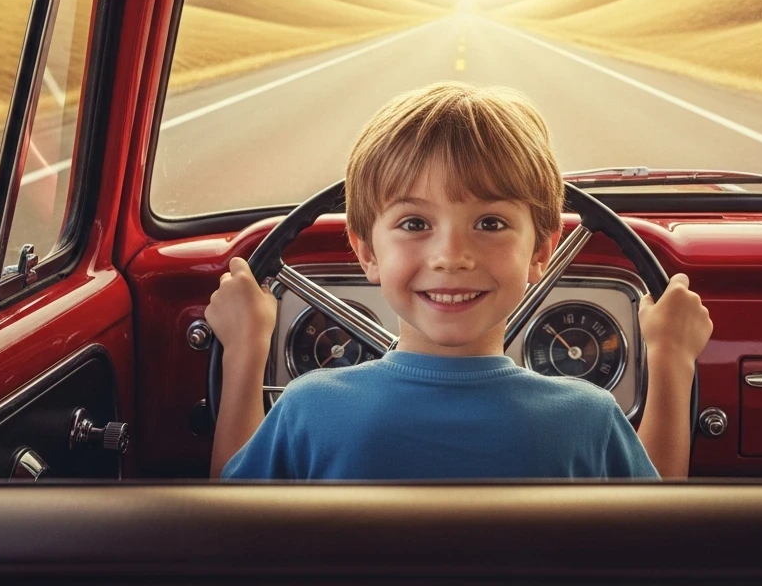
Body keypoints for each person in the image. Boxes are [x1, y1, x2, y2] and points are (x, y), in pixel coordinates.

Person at [206, 81, 712, 481]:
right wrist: (671, 358)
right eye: (415, 224)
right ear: (366, 250)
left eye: (488, 223)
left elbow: (228, 522)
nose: (451, 257)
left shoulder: (307, 412)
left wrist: (246, 348)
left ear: (541, 250)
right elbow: (657, 529)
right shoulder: (590, 421)